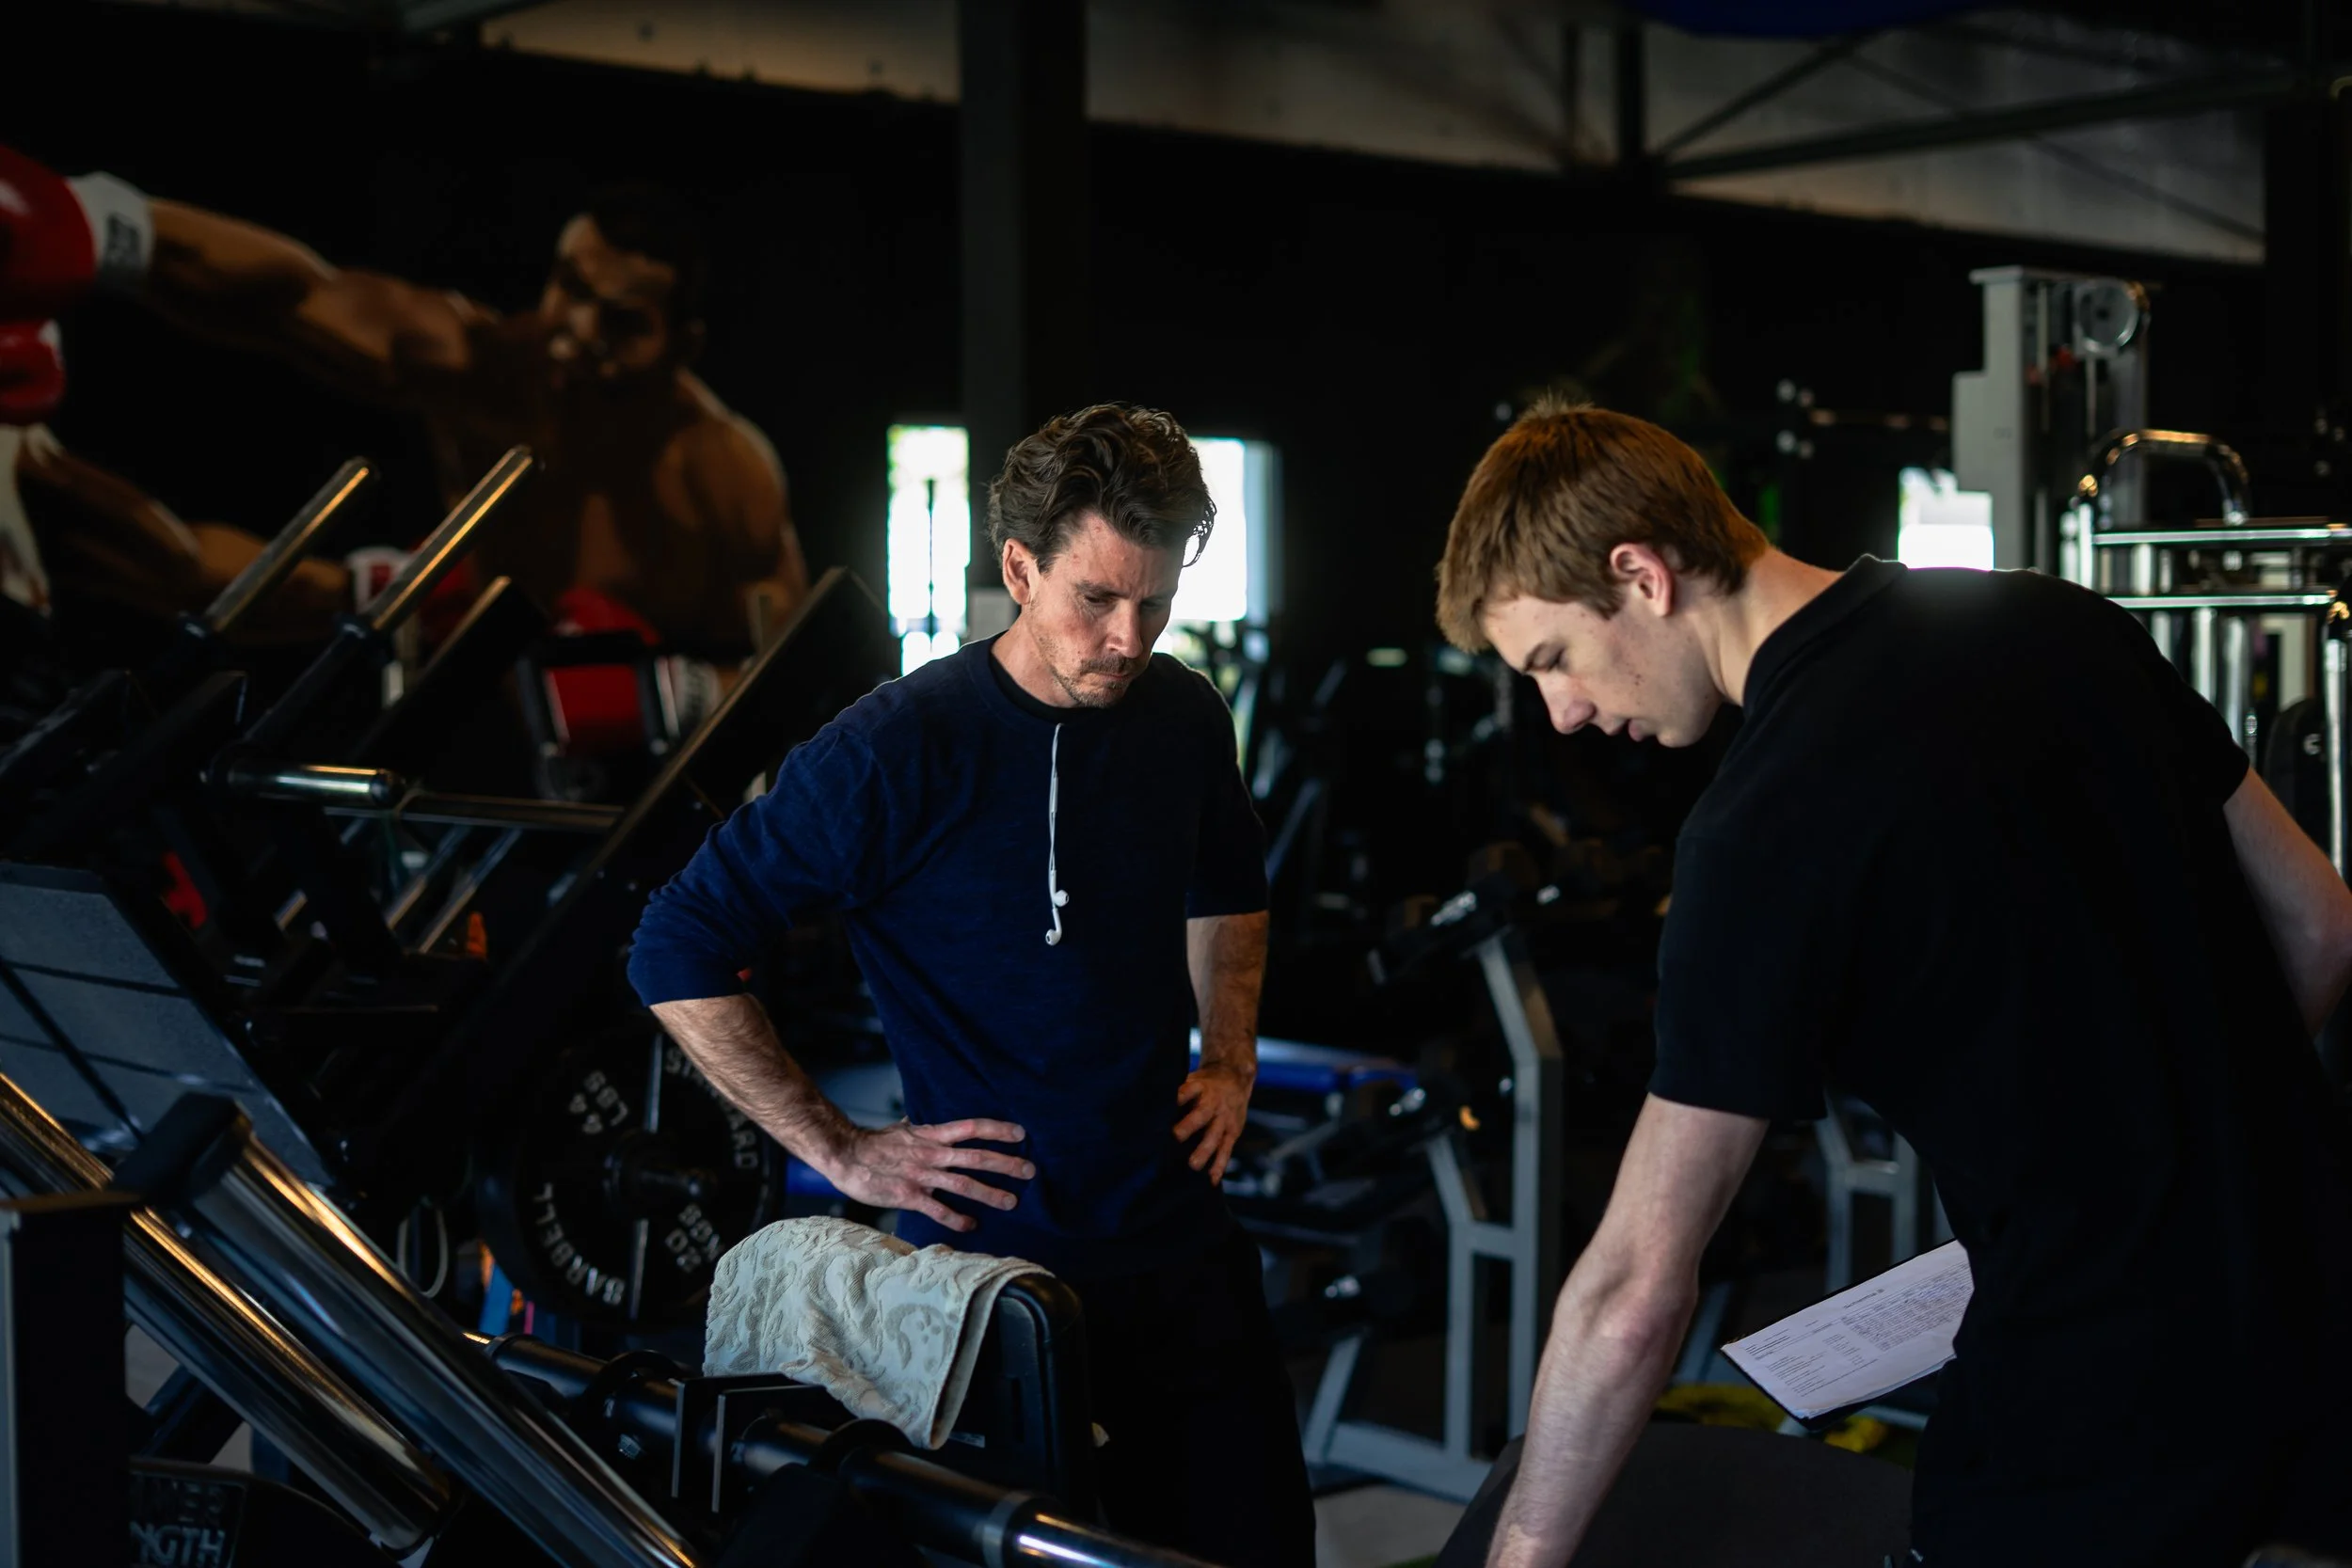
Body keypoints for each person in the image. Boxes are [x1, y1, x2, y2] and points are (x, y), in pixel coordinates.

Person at [1431, 402, 2352, 1568]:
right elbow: (2321, 925)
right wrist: (2185, 1145)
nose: (1561, 711)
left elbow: (1635, 1288)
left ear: (1640, 575)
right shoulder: (2057, 618)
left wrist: (1521, 1549)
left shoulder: (1756, 830)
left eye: (1552, 659)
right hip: (2320, 1311)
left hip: (2100, 1397)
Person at [625, 404, 1315, 1567]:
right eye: (1097, 598)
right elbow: (674, 943)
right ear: (1020, 568)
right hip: (993, 1277)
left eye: (1155, 602)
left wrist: (1232, 1051)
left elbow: (1229, 884)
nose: (1128, 637)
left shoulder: (1183, 715)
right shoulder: (893, 747)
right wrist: (839, 1147)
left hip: (1181, 1239)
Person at [0, 147, 805, 661]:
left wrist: (674, 699)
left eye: (624, 322)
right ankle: (23, 506)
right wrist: (95, 224)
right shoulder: (493, 369)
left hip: (641, 781)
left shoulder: (722, 470)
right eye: (571, 288)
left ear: (683, 345)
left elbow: (785, 665)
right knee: (213, 579)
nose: (576, 333)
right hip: (464, 684)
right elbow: (296, 300)